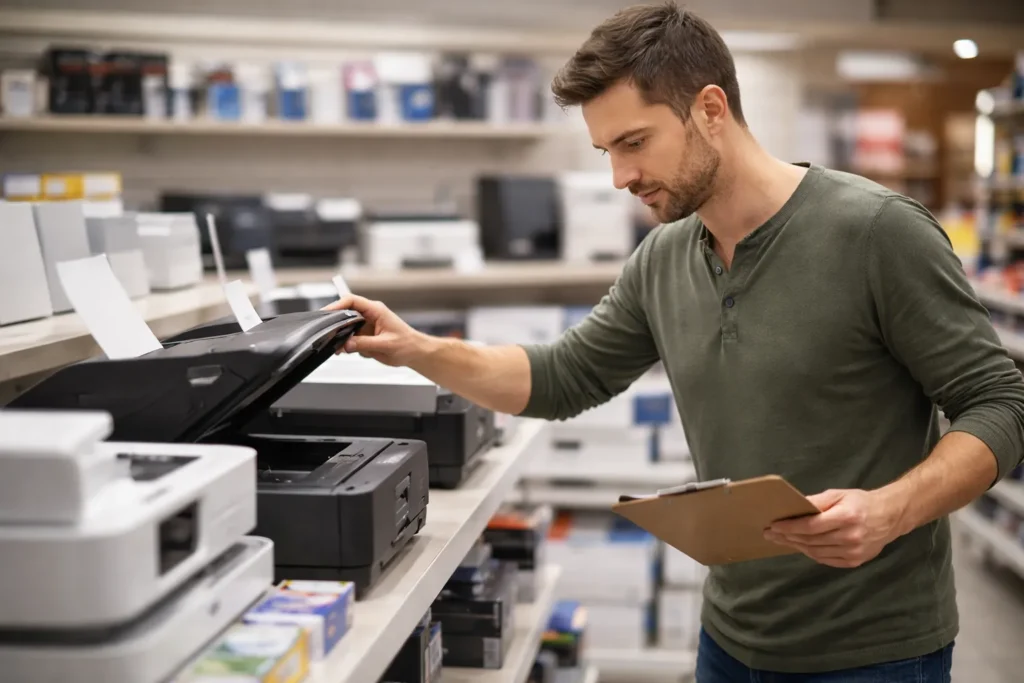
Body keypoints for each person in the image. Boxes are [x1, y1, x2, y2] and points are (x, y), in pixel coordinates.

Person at [324, 2, 1024, 680]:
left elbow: (1001, 402)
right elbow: (562, 376)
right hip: (728, 639)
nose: (620, 177)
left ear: (711, 111)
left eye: (634, 143)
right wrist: (418, 348)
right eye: (606, 150)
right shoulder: (663, 259)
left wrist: (890, 509)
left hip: (874, 650)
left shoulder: (877, 232)